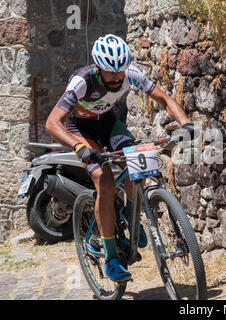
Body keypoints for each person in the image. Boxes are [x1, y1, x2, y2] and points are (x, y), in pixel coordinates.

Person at [45, 34, 195, 282]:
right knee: (103, 180)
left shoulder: (131, 74)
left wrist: (186, 123)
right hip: (79, 129)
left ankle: (130, 214)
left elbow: (164, 98)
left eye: (120, 72)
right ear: (98, 67)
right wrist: (80, 148)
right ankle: (112, 257)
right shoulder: (82, 82)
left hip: (107, 123)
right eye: (110, 73)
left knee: (138, 160)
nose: (117, 78)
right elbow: (52, 122)